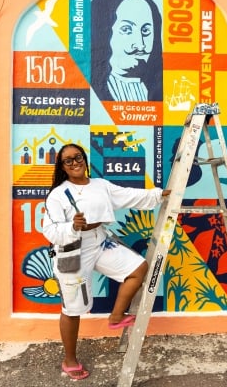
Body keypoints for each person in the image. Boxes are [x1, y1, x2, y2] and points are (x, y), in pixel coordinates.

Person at [43, 143, 170, 380]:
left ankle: (116, 316)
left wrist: (157, 194)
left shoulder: (100, 185)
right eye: (68, 160)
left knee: (138, 268)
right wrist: (73, 226)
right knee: (73, 309)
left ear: (84, 158)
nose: (74, 163)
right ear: (62, 167)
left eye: (77, 157)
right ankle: (69, 360)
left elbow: (127, 195)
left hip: (99, 243)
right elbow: (50, 231)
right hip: (72, 252)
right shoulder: (58, 195)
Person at [91, 0, 163, 101]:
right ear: (103, 33)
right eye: (126, 30)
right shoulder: (90, 91)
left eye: (145, 31)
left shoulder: (158, 90)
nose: (140, 45)